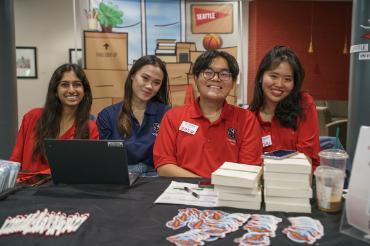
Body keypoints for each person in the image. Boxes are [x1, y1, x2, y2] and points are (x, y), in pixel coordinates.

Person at [153, 50, 262, 178]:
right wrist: (204, 185)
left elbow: (248, 170)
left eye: (224, 74)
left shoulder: (246, 119)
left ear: (233, 83)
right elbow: (164, 166)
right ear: (195, 78)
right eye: (208, 73)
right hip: (183, 192)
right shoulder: (173, 117)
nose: (216, 78)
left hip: (227, 194)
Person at [10, 63, 99, 173]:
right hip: (26, 188)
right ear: (55, 91)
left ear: (84, 91)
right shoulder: (32, 117)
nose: (71, 90)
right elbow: (15, 161)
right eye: (65, 85)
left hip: (65, 189)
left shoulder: (90, 128)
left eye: (77, 84)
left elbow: (87, 171)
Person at [249, 45, 320, 170]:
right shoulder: (250, 116)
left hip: (297, 181)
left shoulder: (304, 104)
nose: (279, 84)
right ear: (261, 77)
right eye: (273, 76)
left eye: (287, 79)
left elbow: (306, 159)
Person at [96, 55, 170, 176]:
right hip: (120, 177)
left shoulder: (167, 114)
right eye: (145, 78)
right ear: (132, 75)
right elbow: (104, 159)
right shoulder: (107, 115)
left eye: (156, 82)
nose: (149, 86)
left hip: (156, 178)